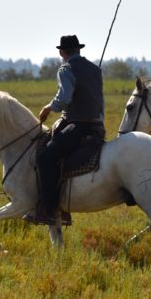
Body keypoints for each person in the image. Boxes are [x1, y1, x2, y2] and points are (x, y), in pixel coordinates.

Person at [23, 35, 105, 225]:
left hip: (78, 127)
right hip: (98, 126)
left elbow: (65, 98)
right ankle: (62, 206)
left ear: (62, 52)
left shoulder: (66, 69)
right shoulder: (95, 69)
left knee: (45, 158)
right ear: (79, 50)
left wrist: (49, 107)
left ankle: (50, 210)